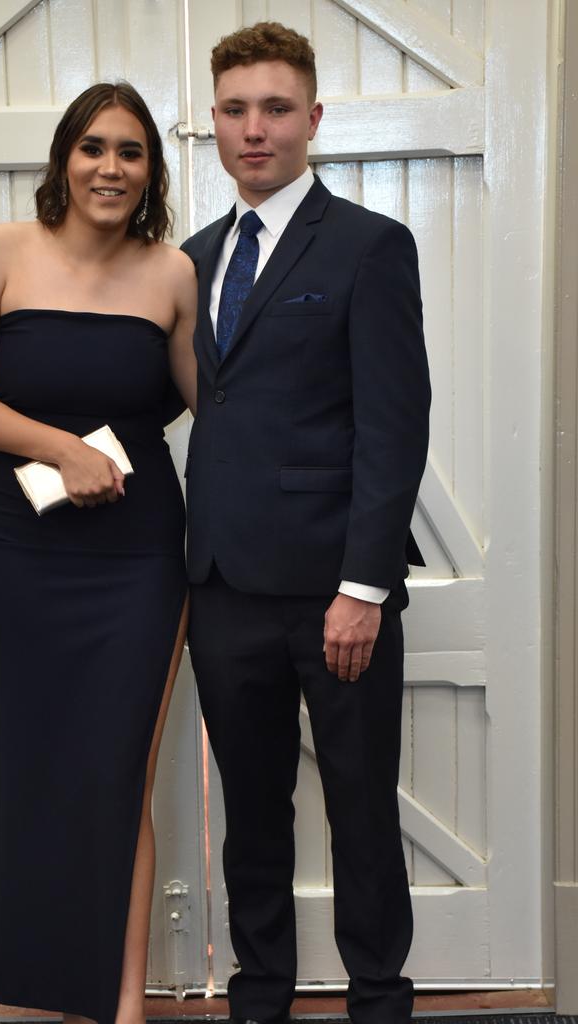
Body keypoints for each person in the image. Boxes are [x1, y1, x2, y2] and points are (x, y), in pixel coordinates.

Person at [182, 22, 430, 1024]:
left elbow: (394, 425)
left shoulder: (371, 246)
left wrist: (363, 587)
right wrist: (20, 439)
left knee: (363, 811)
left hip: (335, 594)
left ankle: (379, 997)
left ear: (313, 118)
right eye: (237, 109)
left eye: (276, 107)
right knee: (252, 816)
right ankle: (260, 995)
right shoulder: (192, 260)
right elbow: (145, 392)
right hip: (223, 590)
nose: (255, 128)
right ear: (214, 121)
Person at [0, 81, 197, 1024]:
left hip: (137, 556)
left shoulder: (172, 273)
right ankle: (37, 986)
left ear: (150, 173)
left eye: (131, 152)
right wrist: (55, 446)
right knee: (38, 763)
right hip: (25, 548)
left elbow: (218, 405)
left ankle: (121, 1004)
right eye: (94, 147)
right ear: (63, 157)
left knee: (116, 769)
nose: (111, 167)